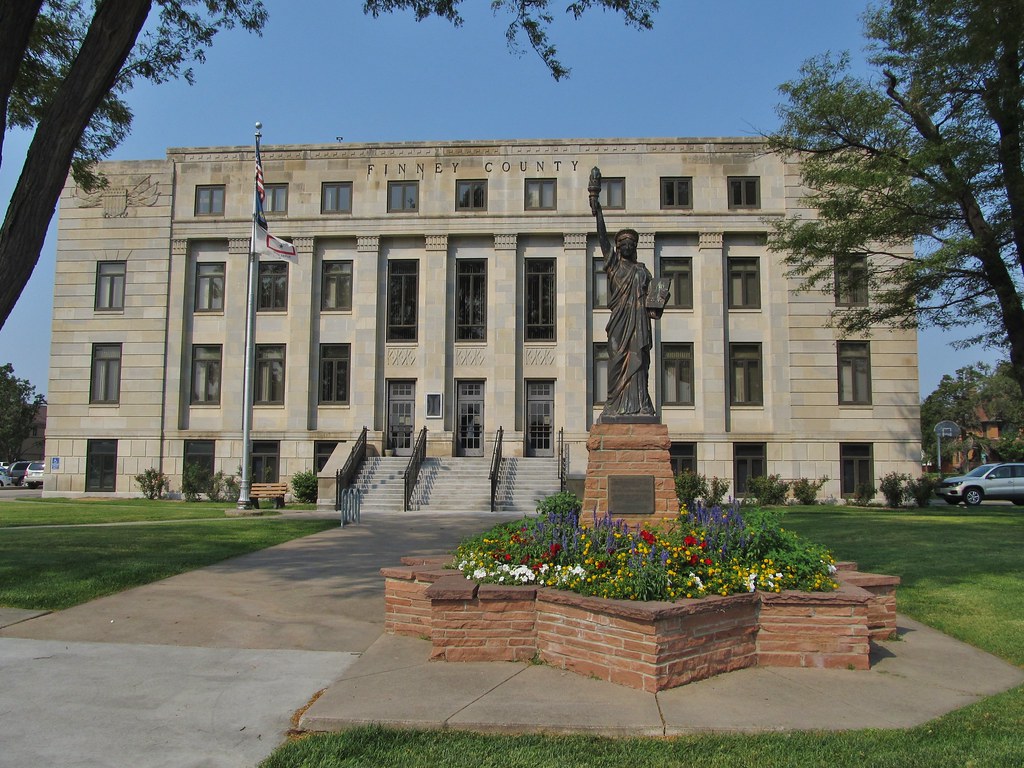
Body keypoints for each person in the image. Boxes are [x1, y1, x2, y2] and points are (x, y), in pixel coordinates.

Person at [589, 168, 663, 419]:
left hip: (640, 323)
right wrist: (596, 206)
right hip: (619, 324)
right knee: (616, 361)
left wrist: (658, 302)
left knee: (640, 362)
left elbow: (655, 303)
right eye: (623, 243)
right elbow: (601, 237)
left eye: (632, 243)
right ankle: (614, 403)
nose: (628, 246)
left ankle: (640, 404)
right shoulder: (613, 265)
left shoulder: (643, 271)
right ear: (618, 248)